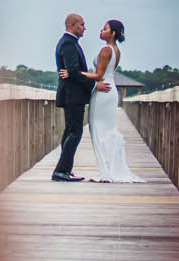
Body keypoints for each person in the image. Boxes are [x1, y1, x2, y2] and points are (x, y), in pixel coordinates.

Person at [86, 19, 140, 183]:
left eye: (104, 29)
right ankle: (110, 168)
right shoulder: (116, 50)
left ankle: (106, 171)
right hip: (111, 90)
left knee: (97, 130)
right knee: (107, 130)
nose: (101, 31)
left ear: (113, 33)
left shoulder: (106, 50)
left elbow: (98, 75)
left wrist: (75, 73)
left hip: (102, 91)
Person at [51, 13, 95, 181]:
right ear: (71, 25)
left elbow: (73, 71)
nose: (84, 28)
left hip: (71, 95)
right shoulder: (68, 43)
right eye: (82, 24)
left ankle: (65, 169)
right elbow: (74, 71)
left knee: (70, 131)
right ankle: (61, 170)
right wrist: (94, 85)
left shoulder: (69, 42)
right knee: (75, 132)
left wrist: (73, 73)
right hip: (72, 95)